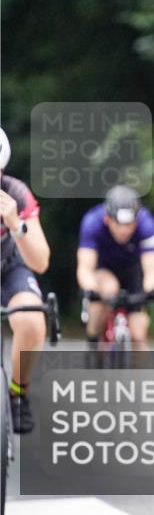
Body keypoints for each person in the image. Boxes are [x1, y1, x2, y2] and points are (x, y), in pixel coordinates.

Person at [0, 127, 52, 434]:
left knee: (32, 319)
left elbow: (41, 261)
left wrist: (15, 223)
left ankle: (18, 394)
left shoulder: (16, 192)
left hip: (11, 268)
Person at [77, 185, 154, 351]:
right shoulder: (92, 222)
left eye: (129, 224)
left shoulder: (147, 224)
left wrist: (150, 290)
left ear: (136, 220)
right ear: (107, 219)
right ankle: (94, 344)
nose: (124, 230)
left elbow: (153, 270)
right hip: (103, 269)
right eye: (119, 224)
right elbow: (85, 269)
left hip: (133, 269)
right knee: (108, 290)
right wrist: (90, 288)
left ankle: (139, 375)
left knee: (139, 334)